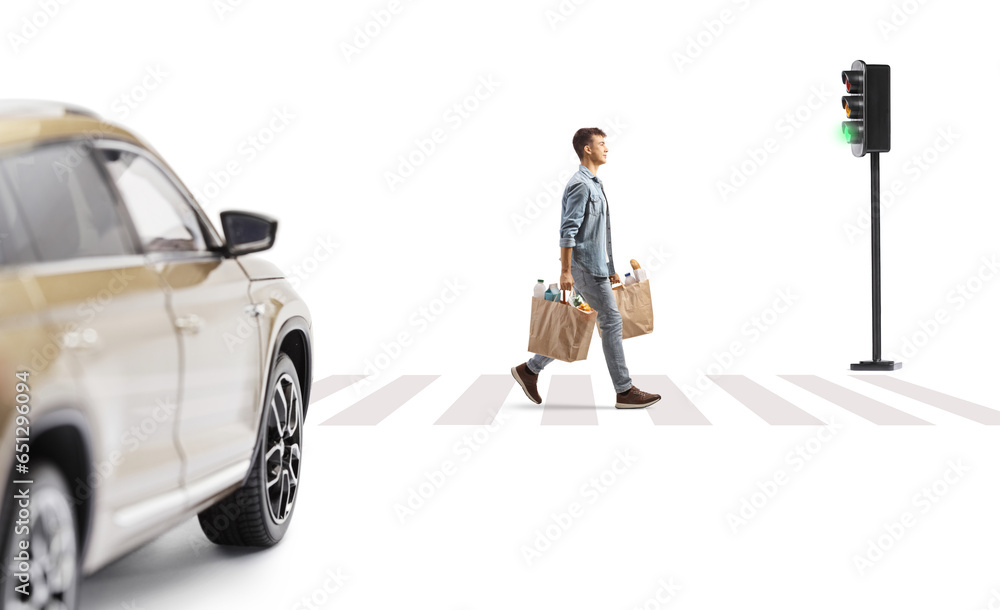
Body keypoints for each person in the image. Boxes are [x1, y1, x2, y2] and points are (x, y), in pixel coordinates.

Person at [512, 128, 661, 409]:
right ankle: (624, 390)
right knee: (612, 321)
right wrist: (565, 271)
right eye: (601, 144)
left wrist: (610, 267)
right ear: (587, 149)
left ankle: (529, 370)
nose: (607, 149)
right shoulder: (581, 184)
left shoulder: (595, 183)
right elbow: (568, 231)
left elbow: (597, 232)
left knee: (583, 321)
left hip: (596, 267)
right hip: (583, 268)